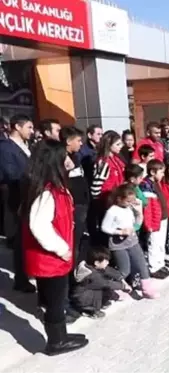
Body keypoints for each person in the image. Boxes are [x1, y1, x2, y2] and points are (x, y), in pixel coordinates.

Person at [21, 139, 89, 355]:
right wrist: (61, 248)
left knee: (57, 299)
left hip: (54, 258)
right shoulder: (47, 192)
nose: (68, 161)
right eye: (64, 158)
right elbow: (39, 225)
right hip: (50, 258)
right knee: (55, 302)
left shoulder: (55, 187)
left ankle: (61, 334)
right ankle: (56, 342)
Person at [100, 184, 158, 298]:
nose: (130, 203)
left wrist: (139, 212)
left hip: (132, 241)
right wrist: (120, 232)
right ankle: (114, 286)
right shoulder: (113, 211)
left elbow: (136, 225)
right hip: (118, 245)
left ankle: (146, 288)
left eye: (132, 200)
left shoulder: (129, 208)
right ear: (119, 199)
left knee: (142, 264)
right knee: (124, 270)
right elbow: (104, 227)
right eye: (128, 201)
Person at [0, 114, 35, 293]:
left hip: (28, 197)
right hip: (15, 199)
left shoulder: (27, 146)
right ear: (17, 127)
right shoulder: (6, 148)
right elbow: (10, 173)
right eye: (29, 127)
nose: (32, 131)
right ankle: (21, 279)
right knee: (19, 241)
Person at [59, 126, 89, 323]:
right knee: (69, 252)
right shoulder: (60, 159)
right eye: (78, 140)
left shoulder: (76, 157)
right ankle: (62, 302)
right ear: (68, 141)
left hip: (81, 206)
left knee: (78, 250)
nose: (80, 144)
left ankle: (74, 292)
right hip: (70, 209)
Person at [70, 247, 132, 318]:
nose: (108, 262)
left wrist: (120, 278)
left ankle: (98, 304)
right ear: (96, 263)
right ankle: (91, 310)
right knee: (101, 289)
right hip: (81, 298)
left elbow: (109, 270)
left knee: (104, 288)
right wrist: (123, 286)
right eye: (105, 261)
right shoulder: (92, 275)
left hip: (84, 294)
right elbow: (106, 283)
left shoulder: (93, 266)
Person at [90, 131, 125, 243]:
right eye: (118, 144)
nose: (121, 146)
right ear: (109, 145)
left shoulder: (116, 159)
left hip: (117, 199)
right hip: (107, 201)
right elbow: (96, 186)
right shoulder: (103, 162)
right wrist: (101, 204)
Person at [140, 160, 169, 279]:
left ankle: (160, 263)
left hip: (163, 216)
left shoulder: (157, 182)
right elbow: (148, 207)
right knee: (154, 242)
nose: (163, 175)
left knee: (161, 242)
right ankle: (153, 267)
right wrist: (150, 223)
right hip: (154, 219)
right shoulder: (146, 184)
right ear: (153, 172)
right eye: (161, 172)